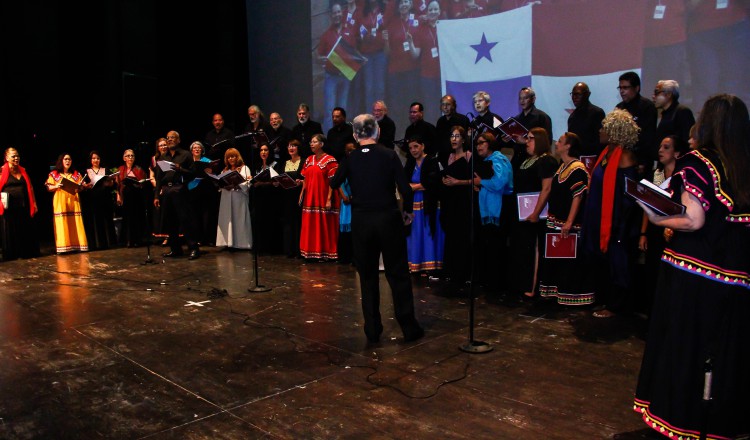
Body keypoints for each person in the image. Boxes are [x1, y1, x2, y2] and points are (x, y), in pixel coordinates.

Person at [634, 94, 750, 440]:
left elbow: (693, 219)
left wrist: (655, 215)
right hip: (736, 278)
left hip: (693, 275)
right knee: (725, 353)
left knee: (685, 347)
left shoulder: (699, 162)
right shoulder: (742, 164)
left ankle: (681, 421)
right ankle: (718, 423)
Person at [330, 113, 424, 344]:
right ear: (378, 132)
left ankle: (372, 329)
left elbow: (334, 182)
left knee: (368, 276)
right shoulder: (389, 155)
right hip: (388, 220)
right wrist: (408, 211)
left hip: (362, 222)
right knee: (398, 274)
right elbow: (406, 188)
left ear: (355, 134)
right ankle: (409, 328)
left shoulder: (350, 158)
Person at [581, 109, 640, 318]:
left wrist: (618, 225)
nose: (599, 130)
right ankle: (604, 299)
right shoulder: (605, 153)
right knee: (602, 263)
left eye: (604, 127)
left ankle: (616, 306)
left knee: (618, 263)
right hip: (598, 217)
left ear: (615, 132)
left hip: (617, 221)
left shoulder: (624, 157)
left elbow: (628, 196)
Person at [635, 135, 687, 319]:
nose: (661, 151)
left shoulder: (682, 179)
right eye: (660, 147)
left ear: (677, 153)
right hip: (654, 231)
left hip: (675, 232)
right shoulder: (655, 175)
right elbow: (646, 207)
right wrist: (643, 233)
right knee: (652, 273)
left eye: (666, 147)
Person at [537, 132, 592, 306]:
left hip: (568, 223)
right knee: (556, 260)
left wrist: (569, 222)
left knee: (568, 262)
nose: (557, 143)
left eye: (560, 141)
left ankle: (571, 295)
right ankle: (556, 293)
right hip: (555, 220)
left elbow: (578, 196)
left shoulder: (577, 168)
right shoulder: (562, 166)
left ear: (568, 146)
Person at [507, 127, 558, 299]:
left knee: (534, 249)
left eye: (530, 139)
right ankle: (521, 283)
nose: (527, 142)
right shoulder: (528, 159)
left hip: (536, 214)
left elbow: (547, 188)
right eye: (526, 138)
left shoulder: (546, 161)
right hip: (522, 212)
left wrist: (536, 212)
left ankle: (533, 286)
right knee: (522, 249)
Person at [471, 132, 513, 293]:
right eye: (477, 144)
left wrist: (481, 182)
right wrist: (480, 186)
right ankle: (490, 281)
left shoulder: (498, 159)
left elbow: (500, 182)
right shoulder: (487, 161)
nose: (479, 146)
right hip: (489, 210)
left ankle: (497, 284)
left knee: (497, 247)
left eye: (482, 143)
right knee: (490, 247)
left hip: (500, 210)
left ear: (490, 144)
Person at [153, 131, 200, 260]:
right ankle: (175, 249)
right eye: (168, 138)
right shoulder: (162, 157)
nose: (170, 140)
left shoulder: (185, 155)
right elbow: (158, 178)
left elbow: (193, 173)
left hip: (180, 189)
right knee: (170, 221)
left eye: (172, 138)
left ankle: (193, 248)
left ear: (178, 140)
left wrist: (180, 169)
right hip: (166, 191)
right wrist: (157, 196)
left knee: (185, 220)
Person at [440, 126, 477, 285]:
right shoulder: (449, 156)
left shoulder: (469, 156)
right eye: (452, 136)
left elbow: (475, 181)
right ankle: (451, 271)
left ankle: (464, 273)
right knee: (452, 236)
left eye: (457, 136)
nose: (454, 139)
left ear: (463, 139)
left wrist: (458, 182)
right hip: (451, 201)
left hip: (465, 200)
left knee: (463, 236)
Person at [404, 136, 444, 274]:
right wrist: (420, 186)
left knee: (428, 232)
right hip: (413, 205)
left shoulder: (432, 160)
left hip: (429, 204)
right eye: (410, 148)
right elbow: (403, 183)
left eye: (416, 146)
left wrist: (413, 187)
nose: (413, 150)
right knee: (415, 233)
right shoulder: (410, 163)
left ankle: (431, 266)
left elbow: (433, 182)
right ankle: (416, 264)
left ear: (422, 146)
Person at [299, 134, 339, 261]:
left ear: (321, 144)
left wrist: (328, 199)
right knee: (311, 224)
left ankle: (325, 253)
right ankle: (311, 252)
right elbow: (305, 178)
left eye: (314, 142)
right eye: (311, 142)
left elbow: (333, 182)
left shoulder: (330, 160)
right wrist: (302, 193)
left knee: (324, 225)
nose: (311, 144)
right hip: (310, 198)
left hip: (322, 197)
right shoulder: (308, 159)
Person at [318, 2, 356, 132]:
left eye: (339, 12)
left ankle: (343, 137)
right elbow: (319, 56)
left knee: (343, 109)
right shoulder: (326, 35)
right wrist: (321, 59)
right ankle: (329, 139)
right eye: (334, 13)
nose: (337, 15)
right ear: (330, 15)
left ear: (342, 13)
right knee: (330, 111)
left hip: (345, 76)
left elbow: (354, 52)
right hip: (331, 77)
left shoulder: (349, 32)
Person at [383, 0, 420, 126]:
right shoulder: (392, 24)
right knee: (396, 102)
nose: (404, 5)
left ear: (410, 4)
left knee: (411, 100)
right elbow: (387, 52)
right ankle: (398, 128)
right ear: (397, 7)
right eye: (401, 3)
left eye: (406, 2)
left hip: (412, 69)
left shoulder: (417, 21)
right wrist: (386, 41)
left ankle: (412, 126)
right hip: (395, 70)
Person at [0, 147, 40, 260]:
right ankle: (11, 254)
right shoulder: (2, 171)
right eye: (13, 156)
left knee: (24, 230)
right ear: (7, 158)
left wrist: (34, 203)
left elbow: (30, 188)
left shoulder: (23, 170)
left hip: (24, 206)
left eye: (17, 156)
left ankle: (25, 252)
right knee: (11, 231)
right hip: (9, 208)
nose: (16, 158)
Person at [45, 153, 88, 254]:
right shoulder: (54, 174)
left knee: (75, 222)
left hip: (73, 201)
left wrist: (82, 187)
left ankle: (77, 245)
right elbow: (48, 187)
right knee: (62, 222)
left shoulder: (76, 174)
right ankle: (64, 247)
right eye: (65, 159)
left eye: (69, 159)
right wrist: (57, 186)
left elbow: (80, 187)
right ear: (61, 161)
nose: (68, 161)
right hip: (60, 201)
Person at [616, 71, 657, 170]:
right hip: (621, 159)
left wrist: (643, 161)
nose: (622, 91)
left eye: (625, 87)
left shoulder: (647, 106)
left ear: (637, 88)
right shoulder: (619, 107)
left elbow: (648, 136)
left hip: (640, 161)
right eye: (620, 88)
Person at [411, 1, 442, 124]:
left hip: (442, 75)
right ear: (427, 12)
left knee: (442, 104)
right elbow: (415, 55)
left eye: (435, 9)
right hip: (427, 75)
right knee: (430, 106)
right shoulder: (421, 30)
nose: (433, 12)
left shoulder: (445, 27)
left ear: (440, 11)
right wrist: (410, 43)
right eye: (430, 10)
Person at [215, 148, 252, 250]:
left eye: (233, 156)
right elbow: (220, 183)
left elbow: (248, 182)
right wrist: (223, 186)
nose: (231, 159)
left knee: (239, 219)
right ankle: (227, 242)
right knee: (228, 220)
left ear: (237, 157)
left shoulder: (244, 168)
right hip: (227, 197)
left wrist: (238, 185)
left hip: (239, 197)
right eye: (229, 157)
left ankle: (242, 243)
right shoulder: (225, 170)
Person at [80, 150, 117, 250]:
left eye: (98, 158)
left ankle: (107, 243)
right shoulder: (86, 171)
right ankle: (95, 244)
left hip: (105, 198)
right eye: (94, 158)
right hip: (92, 199)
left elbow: (112, 183)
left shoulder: (106, 170)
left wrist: (110, 183)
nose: (96, 160)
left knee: (106, 219)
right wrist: (86, 186)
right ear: (90, 160)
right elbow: (83, 185)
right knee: (94, 221)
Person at [250, 144, 283, 254]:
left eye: (266, 150)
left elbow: (276, 182)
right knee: (258, 222)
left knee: (270, 223)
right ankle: (259, 247)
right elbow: (254, 181)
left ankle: (270, 248)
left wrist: (262, 183)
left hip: (271, 198)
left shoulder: (275, 164)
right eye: (261, 150)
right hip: (259, 198)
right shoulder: (257, 165)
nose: (263, 152)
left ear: (270, 152)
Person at [275, 140, 304, 258]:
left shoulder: (303, 161)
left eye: (294, 146)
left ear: (298, 148)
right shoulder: (284, 163)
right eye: (289, 146)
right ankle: (289, 250)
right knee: (288, 223)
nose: (291, 148)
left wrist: (301, 182)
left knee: (298, 222)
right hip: (286, 197)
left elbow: (305, 178)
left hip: (298, 196)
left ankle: (299, 250)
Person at [652, 80, 695, 161]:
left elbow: (688, 141)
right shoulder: (666, 114)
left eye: (657, 92)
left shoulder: (682, 112)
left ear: (668, 94)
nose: (653, 96)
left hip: (678, 164)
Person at [187, 141, 219, 247]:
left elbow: (214, 174)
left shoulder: (207, 161)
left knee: (206, 215)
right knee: (194, 216)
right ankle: (197, 238)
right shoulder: (188, 161)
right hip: (191, 189)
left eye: (199, 148)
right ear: (191, 151)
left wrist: (210, 171)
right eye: (194, 148)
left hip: (205, 189)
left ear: (202, 150)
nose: (197, 149)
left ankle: (207, 238)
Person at [116, 149, 149, 248]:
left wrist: (139, 184)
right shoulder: (121, 169)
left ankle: (137, 240)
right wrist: (119, 196)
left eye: (132, 156)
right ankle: (128, 240)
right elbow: (118, 185)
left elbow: (144, 182)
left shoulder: (139, 169)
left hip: (137, 197)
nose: (130, 158)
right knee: (127, 219)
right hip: (126, 197)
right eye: (128, 156)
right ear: (124, 158)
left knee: (136, 218)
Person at [567, 82, 606, 156]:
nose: (575, 97)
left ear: (587, 94)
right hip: (577, 159)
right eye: (573, 94)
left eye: (578, 94)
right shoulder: (572, 117)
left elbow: (600, 140)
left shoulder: (597, 113)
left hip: (593, 158)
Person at [435, 94, 470, 166]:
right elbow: (438, 140)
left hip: (458, 157)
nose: (445, 107)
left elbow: (466, 140)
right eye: (443, 104)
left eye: (448, 104)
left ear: (454, 106)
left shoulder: (463, 119)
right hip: (443, 157)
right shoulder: (440, 121)